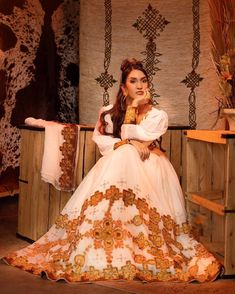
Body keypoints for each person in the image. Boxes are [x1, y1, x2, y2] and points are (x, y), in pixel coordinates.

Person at [2, 58, 222, 282]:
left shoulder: (158, 115)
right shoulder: (107, 112)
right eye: (133, 81)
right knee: (123, 153)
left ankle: (139, 242)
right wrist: (128, 144)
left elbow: (131, 136)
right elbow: (103, 142)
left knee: (124, 153)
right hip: (119, 164)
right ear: (123, 86)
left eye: (144, 81)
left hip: (151, 166)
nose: (139, 86)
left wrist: (132, 120)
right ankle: (102, 239)